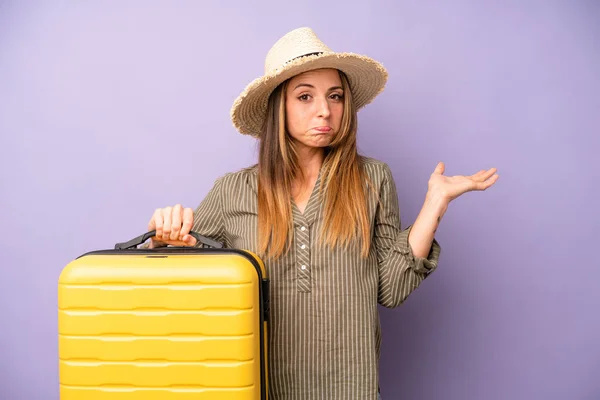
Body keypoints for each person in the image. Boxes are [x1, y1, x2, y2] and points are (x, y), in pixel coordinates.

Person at [146, 27, 498, 399]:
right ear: (277, 107)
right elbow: (180, 289)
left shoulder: (372, 179)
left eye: (335, 96)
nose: (324, 111)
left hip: (351, 387)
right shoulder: (232, 191)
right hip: (260, 387)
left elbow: (391, 290)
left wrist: (435, 205)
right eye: (304, 96)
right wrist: (161, 236)